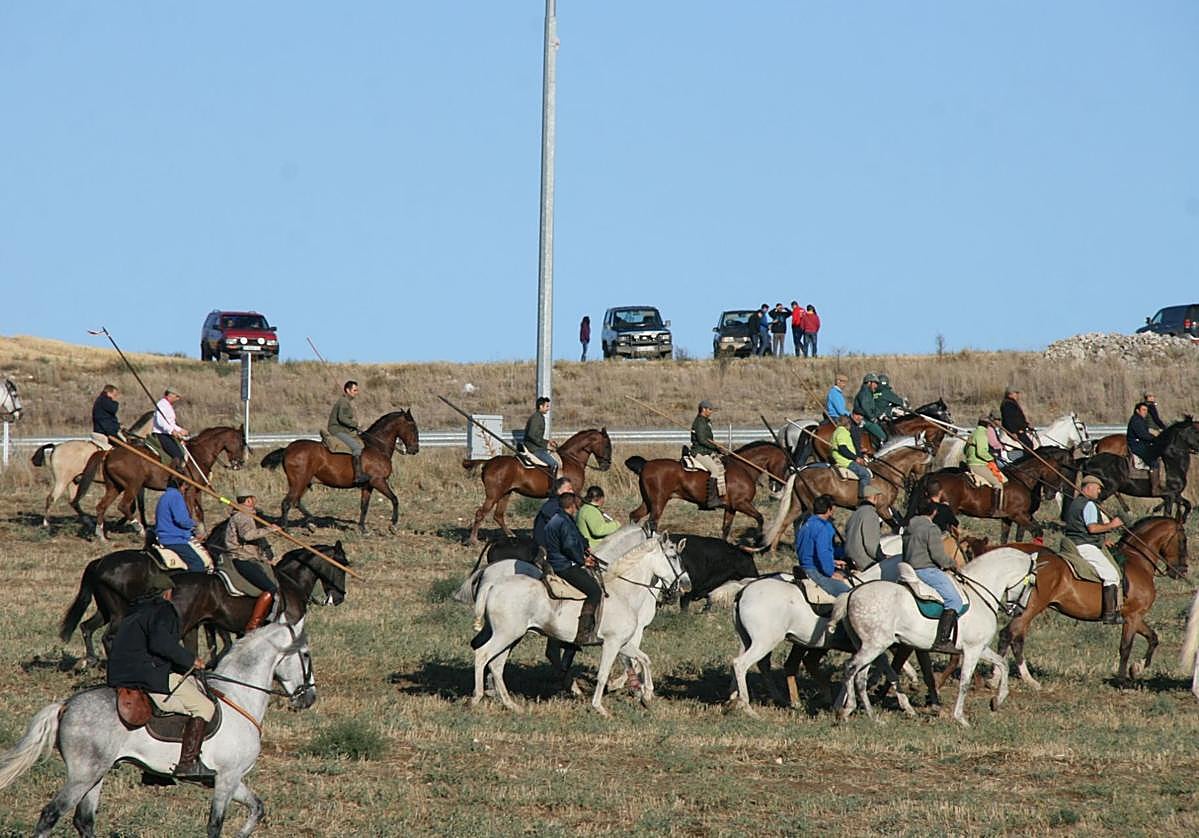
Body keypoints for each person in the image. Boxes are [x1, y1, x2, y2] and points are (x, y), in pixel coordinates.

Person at [106, 578, 216, 783]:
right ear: (167, 593)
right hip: (147, 674)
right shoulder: (162, 609)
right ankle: (187, 764)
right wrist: (191, 660)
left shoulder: (135, 611)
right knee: (204, 707)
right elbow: (161, 644)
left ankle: (155, 768)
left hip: (120, 674)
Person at [903, 495, 965, 652]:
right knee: (954, 600)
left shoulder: (909, 527)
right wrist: (952, 564)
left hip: (908, 568)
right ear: (934, 512)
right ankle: (943, 640)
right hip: (926, 570)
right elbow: (938, 556)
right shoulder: (931, 529)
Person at [1061, 475, 1124, 624]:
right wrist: (1112, 525)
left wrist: (1104, 539)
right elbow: (1092, 528)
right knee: (1112, 575)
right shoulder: (1089, 505)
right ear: (1089, 487)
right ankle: (1109, 615)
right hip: (1085, 546)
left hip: (1074, 543)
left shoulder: (1075, 503)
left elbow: (1080, 526)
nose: (1099, 492)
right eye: (1098, 488)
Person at [216, 494, 282, 631]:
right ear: (248, 500)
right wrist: (270, 529)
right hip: (241, 558)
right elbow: (247, 535)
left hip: (250, 557)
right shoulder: (242, 516)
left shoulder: (247, 515)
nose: (255, 501)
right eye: (253, 498)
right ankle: (253, 623)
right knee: (271, 589)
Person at [544, 492, 603, 644]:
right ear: (572, 506)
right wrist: (583, 561)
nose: (577, 507)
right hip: (563, 566)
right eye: (576, 505)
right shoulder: (564, 522)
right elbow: (569, 546)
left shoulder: (558, 519)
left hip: (556, 561)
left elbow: (576, 537)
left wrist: (586, 547)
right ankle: (584, 633)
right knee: (594, 591)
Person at [796, 494, 848, 595]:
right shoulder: (823, 527)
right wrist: (831, 573)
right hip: (814, 571)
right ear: (829, 510)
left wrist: (832, 561)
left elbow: (802, 548)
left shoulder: (805, 524)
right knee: (849, 594)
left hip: (803, 567)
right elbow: (823, 552)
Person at [154, 478, 209, 573]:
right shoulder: (175, 496)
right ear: (181, 486)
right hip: (175, 539)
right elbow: (182, 520)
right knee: (198, 564)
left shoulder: (165, 496)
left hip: (165, 537)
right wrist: (195, 524)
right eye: (185, 488)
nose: (184, 491)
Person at [328, 380, 368, 486]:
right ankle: (358, 476)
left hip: (343, 429)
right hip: (337, 430)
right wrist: (355, 425)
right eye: (355, 390)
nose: (357, 392)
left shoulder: (346, 401)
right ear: (347, 390)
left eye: (357, 390)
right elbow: (342, 418)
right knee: (356, 448)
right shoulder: (343, 402)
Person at [964, 415, 1006, 514]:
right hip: (978, 465)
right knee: (998, 483)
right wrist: (992, 458)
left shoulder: (973, 433)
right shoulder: (982, 434)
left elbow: (965, 450)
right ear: (988, 424)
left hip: (970, 462)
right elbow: (981, 452)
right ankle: (995, 509)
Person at [689, 400, 725, 508]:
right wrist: (716, 447)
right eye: (710, 409)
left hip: (706, 450)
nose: (711, 411)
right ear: (703, 409)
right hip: (700, 452)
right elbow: (702, 440)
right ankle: (711, 500)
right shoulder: (700, 422)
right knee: (715, 469)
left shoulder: (705, 421)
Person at [844, 485, 885, 571]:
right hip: (865, 563)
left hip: (851, 558)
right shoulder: (870, 514)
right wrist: (883, 558)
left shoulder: (855, 513)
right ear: (874, 497)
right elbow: (871, 546)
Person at [831, 414, 871, 499]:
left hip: (847, 459)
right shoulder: (842, 432)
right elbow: (843, 449)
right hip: (845, 461)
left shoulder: (839, 431)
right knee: (865, 474)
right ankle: (863, 497)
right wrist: (856, 458)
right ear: (848, 423)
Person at [152, 388, 189, 472]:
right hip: (161, 434)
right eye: (177, 396)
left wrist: (180, 430)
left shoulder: (168, 405)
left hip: (167, 433)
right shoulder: (162, 404)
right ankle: (174, 478)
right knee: (178, 455)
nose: (177, 399)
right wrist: (172, 431)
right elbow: (160, 422)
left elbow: (170, 423)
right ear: (170, 395)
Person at [1127, 402, 1160, 493]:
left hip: (1141, 443)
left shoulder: (1140, 420)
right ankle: (1155, 488)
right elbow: (1143, 435)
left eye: (1146, 410)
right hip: (1136, 445)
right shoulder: (1136, 420)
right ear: (1137, 411)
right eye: (1143, 410)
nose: (1145, 412)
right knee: (1153, 461)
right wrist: (1155, 439)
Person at [523, 396, 560, 477]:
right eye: (547, 406)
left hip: (536, 446)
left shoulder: (539, 416)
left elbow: (536, 436)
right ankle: (552, 486)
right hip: (534, 448)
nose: (548, 408)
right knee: (554, 464)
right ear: (541, 406)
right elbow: (532, 435)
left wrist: (548, 442)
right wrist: (546, 445)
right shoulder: (536, 418)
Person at [533, 476, 575, 548]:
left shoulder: (560, 505)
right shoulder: (552, 507)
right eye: (569, 489)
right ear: (559, 491)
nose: (572, 492)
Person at [853, 373, 887, 446]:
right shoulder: (865, 393)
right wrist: (872, 418)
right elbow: (866, 407)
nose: (876, 386)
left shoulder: (868, 392)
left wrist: (880, 413)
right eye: (875, 383)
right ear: (869, 382)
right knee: (883, 436)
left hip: (866, 417)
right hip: (864, 419)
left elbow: (872, 407)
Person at [1000, 387, 1035, 452]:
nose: (1017, 395)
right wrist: (1013, 431)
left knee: (1030, 445)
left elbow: (1019, 418)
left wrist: (1026, 425)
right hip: (1017, 431)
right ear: (1010, 394)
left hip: (1020, 430)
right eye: (1015, 393)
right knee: (1029, 446)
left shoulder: (1012, 403)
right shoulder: (1007, 404)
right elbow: (1009, 419)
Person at [91, 384, 122, 451]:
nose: (114, 398)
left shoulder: (101, 401)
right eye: (114, 395)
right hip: (104, 433)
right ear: (108, 393)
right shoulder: (104, 402)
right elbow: (106, 422)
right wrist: (114, 431)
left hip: (104, 431)